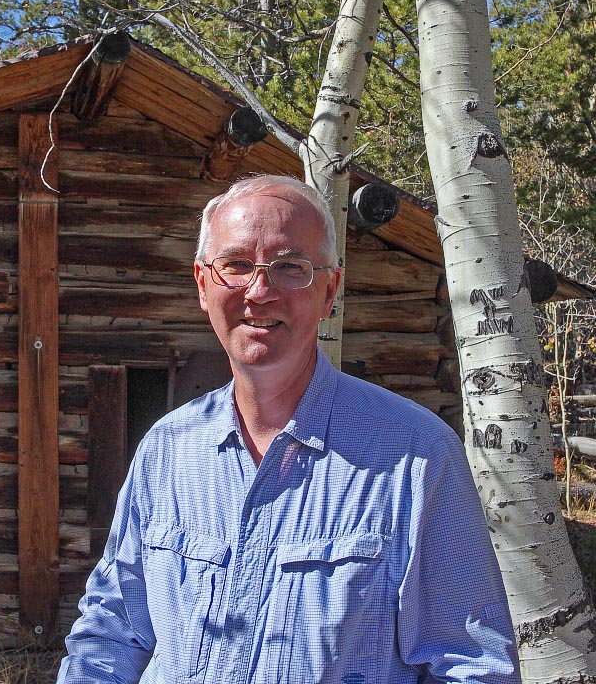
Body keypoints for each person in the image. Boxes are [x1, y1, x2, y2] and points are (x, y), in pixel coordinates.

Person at [57, 174, 519, 684]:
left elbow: (472, 667)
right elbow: (112, 634)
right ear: (202, 284)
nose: (260, 291)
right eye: (235, 265)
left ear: (329, 292)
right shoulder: (166, 450)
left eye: (290, 268)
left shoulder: (417, 456)